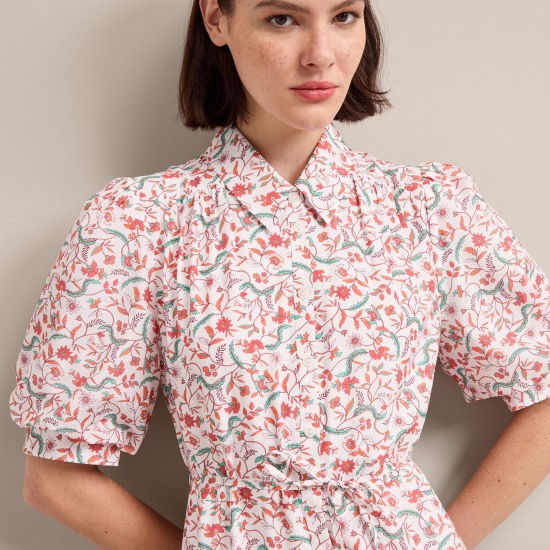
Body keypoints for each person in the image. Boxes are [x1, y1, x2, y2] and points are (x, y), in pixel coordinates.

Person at [9, 0, 550, 548]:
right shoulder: (138, 223)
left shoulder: (427, 207)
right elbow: (54, 480)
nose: (321, 55)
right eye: (282, 19)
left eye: (344, 16)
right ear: (216, 19)